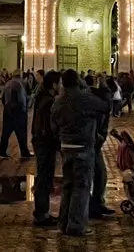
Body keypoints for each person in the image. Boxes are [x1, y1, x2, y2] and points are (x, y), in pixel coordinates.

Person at [51, 69, 109, 237]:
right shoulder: (84, 98)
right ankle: (76, 224)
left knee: (68, 185)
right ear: (77, 81)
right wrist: (103, 85)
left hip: (66, 147)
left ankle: (63, 223)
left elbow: (53, 123)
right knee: (81, 187)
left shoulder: (59, 101)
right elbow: (105, 106)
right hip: (83, 146)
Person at [31, 70, 61, 226]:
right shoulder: (48, 101)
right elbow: (47, 125)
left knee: (45, 176)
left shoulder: (43, 98)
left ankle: (43, 211)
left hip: (41, 141)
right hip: (45, 143)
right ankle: (41, 213)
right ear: (54, 85)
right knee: (44, 177)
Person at [86, 74, 114, 218]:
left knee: (100, 174)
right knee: (92, 174)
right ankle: (91, 206)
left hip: (95, 142)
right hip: (90, 142)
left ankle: (97, 203)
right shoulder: (94, 99)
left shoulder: (100, 99)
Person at [0, 70, 33, 159]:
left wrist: (6, 107)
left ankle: (2, 151)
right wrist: (24, 109)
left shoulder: (8, 84)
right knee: (21, 132)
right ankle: (24, 152)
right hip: (18, 111)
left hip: (7, 111)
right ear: (20, 75)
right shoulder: (21, 83)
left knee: (5, 133)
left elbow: (3, 98)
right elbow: (22, 98)